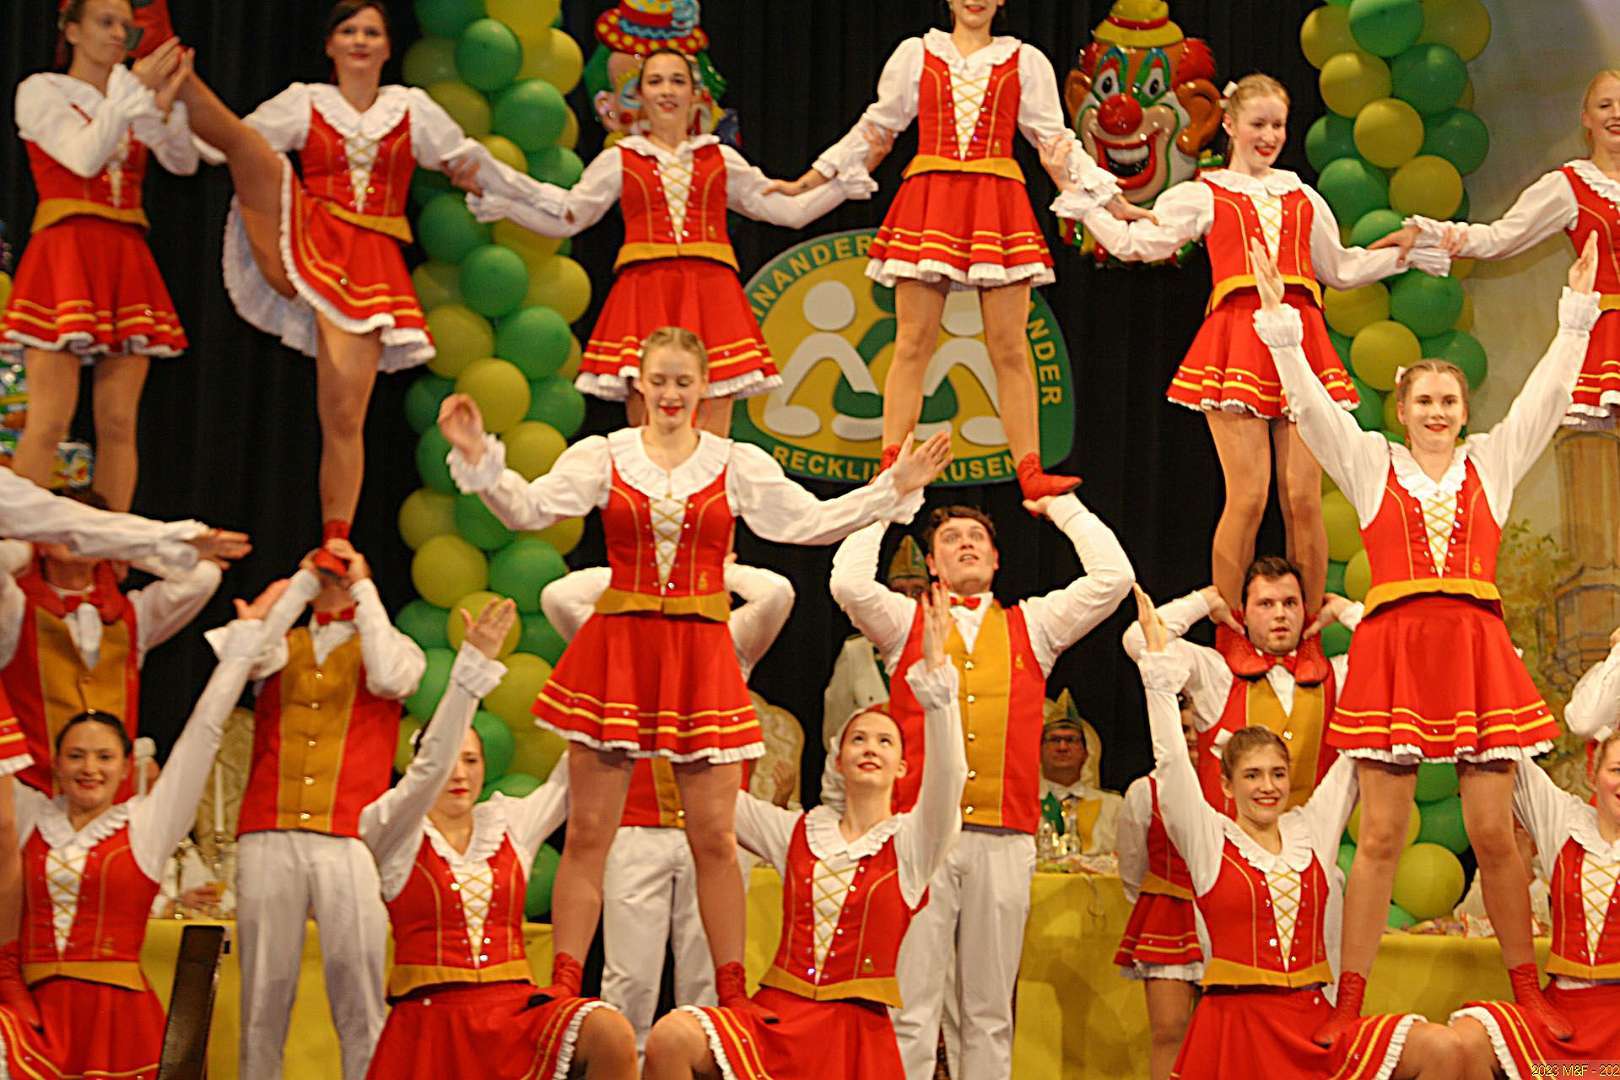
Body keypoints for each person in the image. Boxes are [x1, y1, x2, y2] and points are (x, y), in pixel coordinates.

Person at [439, 325, 951, 1019]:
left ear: (705, 388)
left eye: (684, 381)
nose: (672, 394)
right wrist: (479, 456)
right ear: (639, 386)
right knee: (588, 833)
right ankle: (563, 987)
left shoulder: (734, 461)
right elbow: (532, 509)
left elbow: (807, 523)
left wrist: (892, 488)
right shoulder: (605, 454)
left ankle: (731, 994)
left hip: (700, 651)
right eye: (660, 381)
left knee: (714, 837)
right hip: (620, 648)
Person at [1251, 233, 1601, 1046]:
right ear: (1401, 411)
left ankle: (1529, 992)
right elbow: (1313, 411)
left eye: (1449, 400)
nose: (1438, 412)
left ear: (1465, 411)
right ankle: (1348, 1001)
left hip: (1475, 651)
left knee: (1494, 834)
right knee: (1378, 837)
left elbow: (1547, 395)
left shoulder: (1493, 463)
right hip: (1397, 653)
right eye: (1424, 401)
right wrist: (1280, 328)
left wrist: (1577, 314)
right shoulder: (1372, 464)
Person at [1055, 73, 1449, 610]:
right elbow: (1135, 243)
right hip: (1238, 337)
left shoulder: (1302, 195)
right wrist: (1085, 206)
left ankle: (1307, 625)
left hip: (1302, 339)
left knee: (1303, 497)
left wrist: (1408, 251)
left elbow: (1341, 268)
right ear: (1230, 124)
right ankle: (1232, 622)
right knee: (1248, 494)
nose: (1269, 136)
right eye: (1258, 124)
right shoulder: (1204, 192)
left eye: (1278, 126)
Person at [176, 0, 532, 549]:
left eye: (371, 32)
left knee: (343, 413)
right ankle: (173, 66)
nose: (360, 41)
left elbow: (465, 158)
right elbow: (225, 143)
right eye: (348, 31)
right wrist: (174, 128)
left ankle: (336, 539)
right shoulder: (305, 102)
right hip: (308, 236)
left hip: (369, 265)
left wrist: (540, 200)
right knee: (250, 149)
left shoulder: (410, 108)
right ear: (330, 45)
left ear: (388, 47)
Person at [770, 0, 1146, 498]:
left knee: (1010, 348)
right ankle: (891, 465)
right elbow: (877, 129)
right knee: (912, 342)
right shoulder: (916, 54)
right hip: (931, 196)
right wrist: (810, 180)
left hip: (997, 201)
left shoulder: (1024, 61)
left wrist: (1111, 200)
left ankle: (1030, 471)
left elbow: (1054, 142)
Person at [829, 494, 1133, 1080]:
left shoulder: (1033, 625)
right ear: (932, 564)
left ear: (996, 559)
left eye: (977, 537)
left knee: (989, 1011)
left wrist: (1061, 506)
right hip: (921, 838)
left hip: (1005, 836)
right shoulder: (903, 622)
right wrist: (889, 505)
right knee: (912, 1005)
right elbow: (846, 582)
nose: (965, 543)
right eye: (950, 538)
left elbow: (1113, 578)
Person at [1130, 586, 1463, 1079]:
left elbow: (1391, 682)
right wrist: (1158, 674)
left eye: (1277, 774)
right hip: (1237, 1030)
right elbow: (1172, 761)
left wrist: (1348, 612)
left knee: (1445, 1049)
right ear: (1226, 784)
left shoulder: (1311, 830)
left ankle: (1584, 1071)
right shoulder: (1209, 838)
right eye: (1252, 775)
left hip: (1314, 1023)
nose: (1268, 787)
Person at [640, 583, 969, 1080]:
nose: (870, 747)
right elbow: (714, 798)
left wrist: (938, 681)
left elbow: (949, 775)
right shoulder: (797, 831)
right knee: (671, 1037)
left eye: (885, 742)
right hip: (777, 1017)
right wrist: (697, 680)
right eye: (858, 739)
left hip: (853, 1034)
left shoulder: (913, 844)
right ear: (838, 759)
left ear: (903, 767)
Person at [466, 48, 884, 434]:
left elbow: (789, 212)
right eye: (656, 81)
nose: (667, 90)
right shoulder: (620, 159)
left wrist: (845, 182)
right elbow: (568, 216)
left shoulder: (720, 157)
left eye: (677, 81)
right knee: (646, 428)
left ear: (695, 94)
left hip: (712, 294)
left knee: (714, 425)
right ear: (639, 94)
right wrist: (506, 201)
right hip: (645, 292)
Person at [7, 580, 281, 1080]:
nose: (90, 768)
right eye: (76, 756)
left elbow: (203, 732)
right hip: (34, 1014)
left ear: (126, 766)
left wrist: (242, 646)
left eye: (104, 757)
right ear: (56, 765)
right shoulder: (30, 817)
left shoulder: (145, 825)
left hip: (116, 1020)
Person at [362, 597, 638, 1080]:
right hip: (432, 1022)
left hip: (514, 1013)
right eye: (449, 761)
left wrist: (617, 683)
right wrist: (471, 669)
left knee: (609, 1031)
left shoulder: (506, 823)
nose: (459, 774)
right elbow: (431, 766)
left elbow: (567, 779)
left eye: (472, 761)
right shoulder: (392, 828)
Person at [540, 559, 793, 1055]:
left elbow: (777, 591)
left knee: (707, 980)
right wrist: (639, 576)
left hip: (715, 837)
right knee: (629, 980)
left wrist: (711, 571)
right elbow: (558, 596)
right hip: (636, 829)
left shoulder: (730, 637)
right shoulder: (611, 638)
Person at [223, 543, 426, 1080]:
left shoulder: (391, 645)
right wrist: (299, 586)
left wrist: (363, 588)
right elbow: (240, 660)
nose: (334, 575)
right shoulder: (280, 644)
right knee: (262, 997)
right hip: (268, 827)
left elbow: (391, 679)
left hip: (349, 834)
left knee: (359, 992)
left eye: (344, 569)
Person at [2, 0, 197, 511]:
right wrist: (131, 91)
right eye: (105, 23)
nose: (118, 35)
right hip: (65, 249)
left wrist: (167, 107)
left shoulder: (128, 95)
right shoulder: (42, 89)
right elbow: (84, 158)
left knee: (118, 422)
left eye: (126, 27)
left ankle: (109, 549)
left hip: (125, 250)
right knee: (50, 419)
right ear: (71, 31)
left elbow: (182, 162)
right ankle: (18, 547)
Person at [1375, 70, 1620, 429]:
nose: (1616, 114)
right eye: (1605, 105)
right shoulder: (1569, 186)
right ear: (1586, 117)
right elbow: (1500, 238)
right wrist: (1428, 234)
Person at [0, 492, 223, 795]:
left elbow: (203, 576)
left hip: (110, 798)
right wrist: (31, 543)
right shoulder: (14, 608)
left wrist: (123, 547)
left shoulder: (134, 614)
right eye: (64, 527)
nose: (76, 536)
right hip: (31, 795)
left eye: (89, 528)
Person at [1122, 557, 1358, 816]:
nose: (1280, 614)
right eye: (1266, 604)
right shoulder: (1217, 674)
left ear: (1305, 610)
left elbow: (1394, 657)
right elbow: (1139, 641)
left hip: (1314, 839)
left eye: (1290, 603)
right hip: (1225, 840)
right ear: (1243, 613)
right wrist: (1206, 600)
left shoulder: (1336, 676)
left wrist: (1345, 610)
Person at [1450, 728, 1620, 1075]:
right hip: (1561, 1014)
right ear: (1593, 774)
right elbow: (1509, 751)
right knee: (1465, 1041)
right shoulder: (1567, 825)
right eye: (1617, 770)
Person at [1114, 694, 1204, 1080]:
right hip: (1168, 915)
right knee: (1169, 1030)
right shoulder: (1144, 791)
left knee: (1221, 1033)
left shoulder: (1232, 788)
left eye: (1198, 728)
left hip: (1224, 917)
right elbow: (1132, 865)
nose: (1193, 737)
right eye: (1183, 729)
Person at [1037, 703, 1122, 856]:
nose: (1062, 747)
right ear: (1039, 752)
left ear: (1086, 753)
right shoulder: (1024, 806)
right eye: (1054, 740)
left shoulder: (1114, 806)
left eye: (1070, 740)